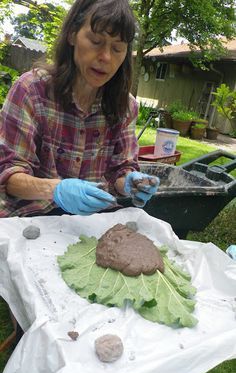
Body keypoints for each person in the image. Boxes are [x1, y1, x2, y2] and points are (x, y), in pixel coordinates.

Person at [0, 0, 159, 218]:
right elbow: (8, 174)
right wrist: (55, 190)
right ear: (72, 35)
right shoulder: (31, 91)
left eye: (117, 48)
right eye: (95, 41)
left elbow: (120, 171)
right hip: (30, 219)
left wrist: (131, 183)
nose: (106, 57)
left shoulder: (125, 106)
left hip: (91, 221)